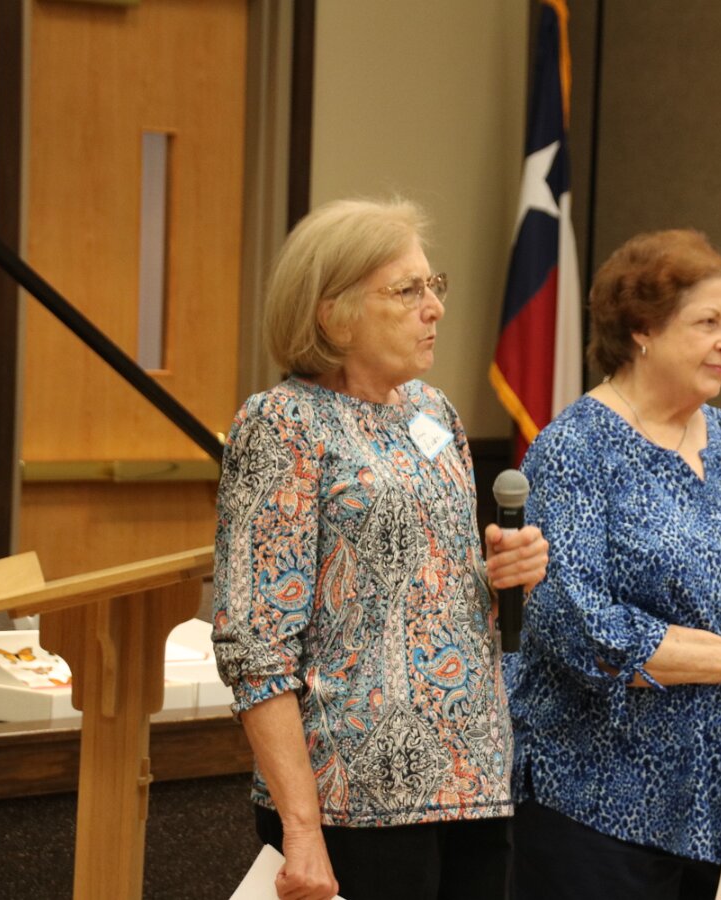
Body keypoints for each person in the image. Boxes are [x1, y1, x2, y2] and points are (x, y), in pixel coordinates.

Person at [212, 198, 549, 900]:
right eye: (406, 291)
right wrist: (302, 828)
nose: (435, 308)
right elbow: (255, 645)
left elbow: (427, 591)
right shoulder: (282, 425)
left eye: (434, 285)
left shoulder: (434, 411)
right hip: (351, 800)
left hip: (473, 781)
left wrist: (501, 574)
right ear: (333, 315)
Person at [505, 229, 721, 900]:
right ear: (642, 329)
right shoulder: (575, 449)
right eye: (707, 322)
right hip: (599, 804)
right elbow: (583, 630)